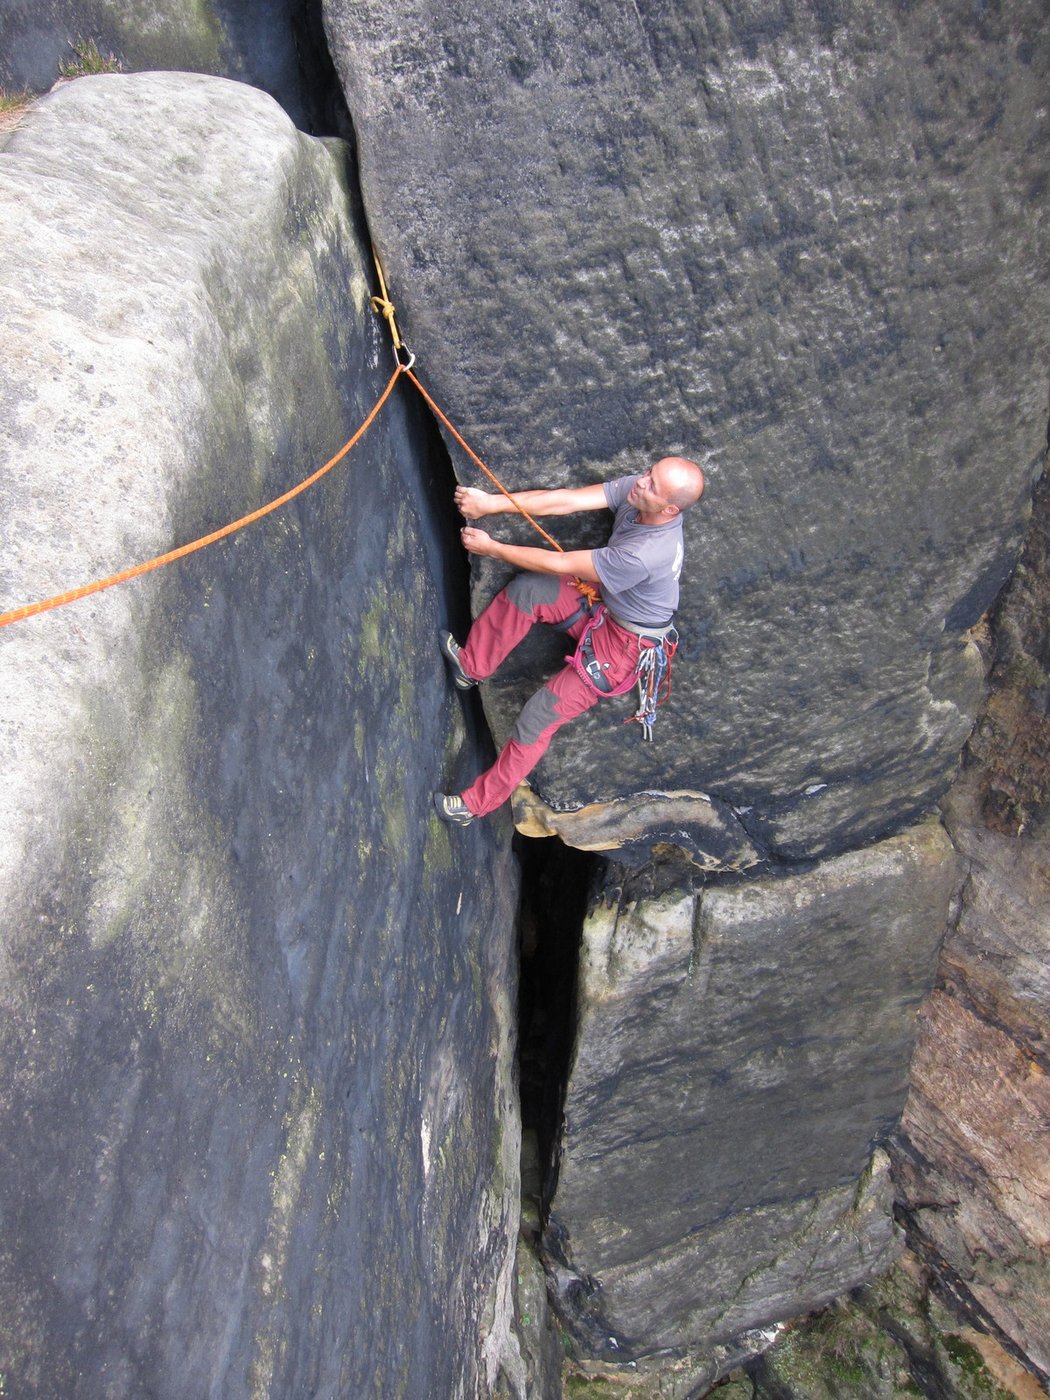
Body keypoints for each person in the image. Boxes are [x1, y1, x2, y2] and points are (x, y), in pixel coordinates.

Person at [433, 456, 705, 826]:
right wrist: (490, 503)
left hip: (622, 648)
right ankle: (472, 666)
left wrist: (492, 548)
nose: (641, 482)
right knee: (531, 591)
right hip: (607, 605)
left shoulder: (643, 555)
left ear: (670, 508)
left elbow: (560, 565)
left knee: (537, 718)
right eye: (648, 473)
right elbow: (567, 500)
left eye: (653, 485)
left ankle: (475, 805)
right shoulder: (642, 494)